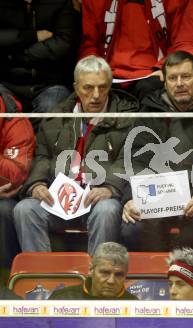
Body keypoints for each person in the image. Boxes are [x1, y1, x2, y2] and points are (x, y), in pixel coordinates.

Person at [13, 55, 139, 255]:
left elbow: (129, 161)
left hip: (98, 198)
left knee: (107, 210)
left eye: (103, 87)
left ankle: (98, 279)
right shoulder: (57, 116)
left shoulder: (127, 118)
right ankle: (40, 280)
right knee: (25, 209)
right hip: (60, 199)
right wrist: (37, 184)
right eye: (88, 88)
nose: (96, 95)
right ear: (76, 87)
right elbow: (42, 156)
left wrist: (110, 188)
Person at [121, 51, 193, 252]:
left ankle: (183, 273)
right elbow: (138, 159)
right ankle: (156, 278)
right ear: (165, 83)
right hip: (158, 193)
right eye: (173, 78)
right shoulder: (149, 111)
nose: (179, 83)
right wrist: (133, 197)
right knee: (133, 224)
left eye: (186, 76)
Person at [80, 0, 188, 98]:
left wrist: (163, 67)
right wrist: (92, 69)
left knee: (152, 88)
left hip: (153, 74)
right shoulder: (93, 2)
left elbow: (180, 41)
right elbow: (89, 45)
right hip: (108, 73)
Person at [0, 0, 80, 120]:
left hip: (49, 82)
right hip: (7, 81)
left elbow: (63, 43)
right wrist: (32, 36)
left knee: (51, 110)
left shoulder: (61, 2)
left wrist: (17, 55)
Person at [0, 91, 35, 284]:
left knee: (4, 209)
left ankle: (5, 282)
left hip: (3, 198)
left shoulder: (15, 122)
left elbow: (14, 174)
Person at [49, 242, 137, 300]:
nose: (111, 281)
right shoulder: (62, 298)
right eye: (105, 273)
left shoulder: (135, 306)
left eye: (118, 275)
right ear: (91, 270)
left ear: (125, 275)